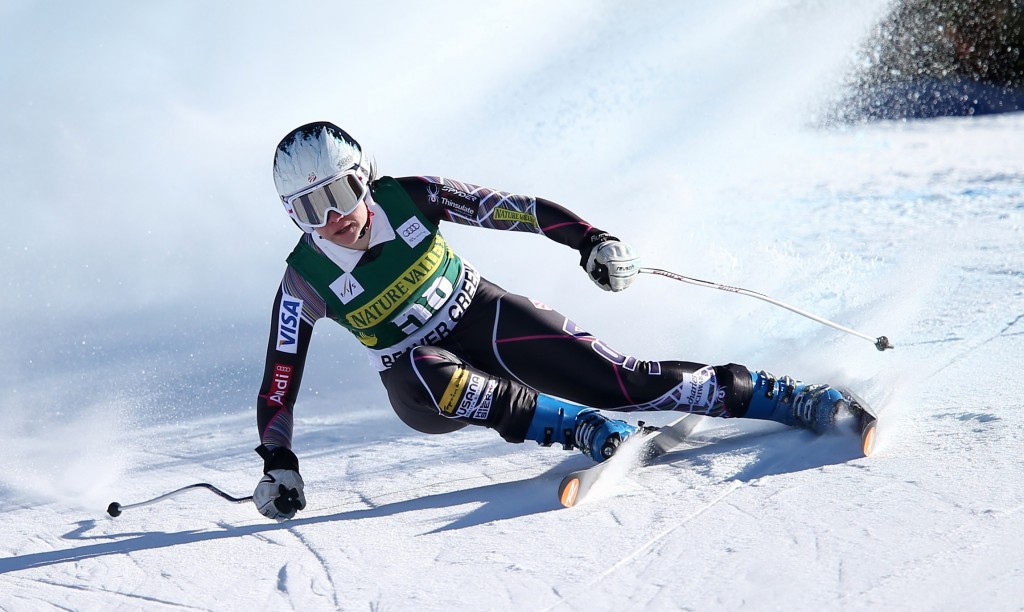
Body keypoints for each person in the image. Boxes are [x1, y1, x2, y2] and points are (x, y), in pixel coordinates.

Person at [252, 121, 848, 520]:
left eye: (342, 193)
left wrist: (591, 240)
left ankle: (783, 397)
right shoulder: (303, 278)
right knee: (423, 368)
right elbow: (280, 379)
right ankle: (579, 428)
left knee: (624, 381)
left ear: (367, 177)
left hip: (482, 314)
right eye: (309, 208)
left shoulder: (413, 197)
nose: (332, 218)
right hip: (423, 390)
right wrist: (278, 463)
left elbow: (518, 211)